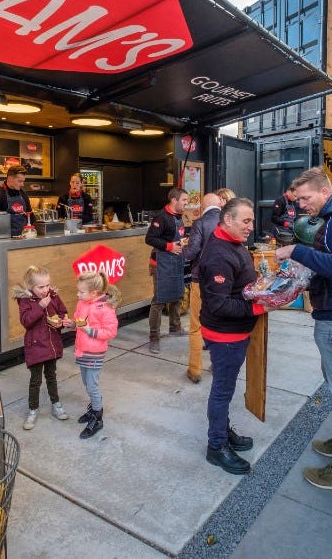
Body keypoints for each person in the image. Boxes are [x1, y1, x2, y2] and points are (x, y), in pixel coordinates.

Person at [275, 168, 332, 495]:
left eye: (305, 198)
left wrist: (296, 251)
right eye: (298, 199)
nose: (301, 205)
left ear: (324, 192)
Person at [197, 197, 265, 474]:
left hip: (234, 333)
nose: (251, 226)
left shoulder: (233, 244)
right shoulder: (218, 256)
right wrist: (258, 306)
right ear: (228, 220)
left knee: (225, 388)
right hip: (225, 335)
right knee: (222, 391)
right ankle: (217, 447)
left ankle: (224, 433)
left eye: (251, 221)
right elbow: (219, 304)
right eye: (246, 221)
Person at [16, 266, 72, 430]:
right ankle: (33, 410)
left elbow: (62, 311)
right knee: (36, 380)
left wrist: (63, 320)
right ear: (30, 287)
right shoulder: (26, 300)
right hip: (35, 346)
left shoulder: (53, 295)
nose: (45, 289)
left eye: (47, 285)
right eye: (41, 287)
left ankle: (56, 404)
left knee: (51, 376)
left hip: (51, 343)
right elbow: (26, 321)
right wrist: (39, 306)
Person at [72, 271, 121, 439]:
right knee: (86, 382)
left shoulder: (105, 307)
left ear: (93, 293)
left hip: (95, 352)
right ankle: (93, 408)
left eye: (81, 292)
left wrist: (89, 331)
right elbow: (78, 319)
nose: (78, 294)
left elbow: (110, 331)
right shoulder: (82, 303)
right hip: (82, 349)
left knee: (92, 385)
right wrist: (70, 323)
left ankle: (98, 418)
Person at [182, 193, 223, 383]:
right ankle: (218, 364)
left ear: (203, 206)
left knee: (196, 326)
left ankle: (195, 370)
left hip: (201, 279)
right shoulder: (227, 221)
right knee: (219, 323)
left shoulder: (200, 223)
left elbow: (191, 253)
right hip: (223, 281)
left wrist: (183, 247)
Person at [144, 188, 188, 353]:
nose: (186, 203)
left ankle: (175, 328)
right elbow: (150, 238)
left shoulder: (178, 216)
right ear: (174, 200)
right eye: (184, 200)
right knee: (159, 300)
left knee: (177, 295)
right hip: (160, 264)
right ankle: (154, 337)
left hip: (175, 261)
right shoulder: (161, 217)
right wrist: (170, 246)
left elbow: (176, 236)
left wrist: (184, 242)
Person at [0, 166, 34, 236]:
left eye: (23, 181)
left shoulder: (23, 194)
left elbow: (30, 215)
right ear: (10, 179)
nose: (22, 184)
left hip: (24, 236)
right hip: (5, 238)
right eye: (19, 181)